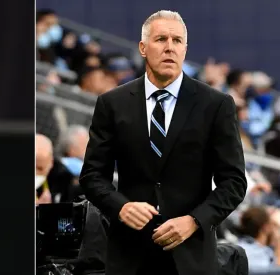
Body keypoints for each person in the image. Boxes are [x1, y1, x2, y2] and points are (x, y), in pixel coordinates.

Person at [79, 10, 246, 275]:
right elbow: (91, 176)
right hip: (129, 257)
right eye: (161, 39)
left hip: (191, 257)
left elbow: (234, 182)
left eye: (177, 41)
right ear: (143, 48)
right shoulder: (112, 103)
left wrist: (194, 221)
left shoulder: (215, 105)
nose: (170, 47)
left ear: (185, 49)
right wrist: (121, 206)